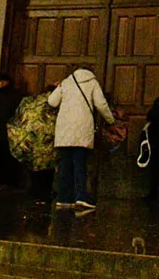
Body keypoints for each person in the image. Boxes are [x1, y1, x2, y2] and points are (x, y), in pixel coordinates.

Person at [48, 65, 115, 210]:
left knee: (65, 164)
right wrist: (111, 120)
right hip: (82, 130)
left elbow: (52, 102)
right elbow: (101, 104)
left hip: (64, 130)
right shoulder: (92, 82)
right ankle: (81, 196)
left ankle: (64, 198)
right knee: (80, 164)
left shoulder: (66, 82)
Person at [0, 73, 24, 188]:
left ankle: (9, 182)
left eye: (4, 81)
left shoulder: (15, 97)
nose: (1, 84)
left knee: (8, 159)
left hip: (9, 132)